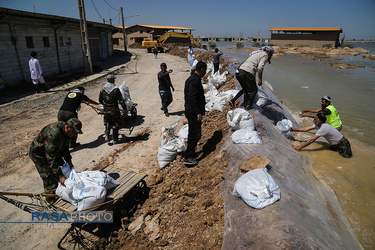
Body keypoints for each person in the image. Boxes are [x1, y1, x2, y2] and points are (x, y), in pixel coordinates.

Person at [29, 118, 82, 200]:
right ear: (68, 127)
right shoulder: (54, 134)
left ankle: (62, 192)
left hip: (53, 151)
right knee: (49, 177)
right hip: (39, 154)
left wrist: (69, 161)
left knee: (64, 169)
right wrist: (60, 176)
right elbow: (50, 158)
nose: (75, 135)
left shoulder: (66, 133)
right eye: (74, 132)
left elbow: (65, 149)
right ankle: (50, 200)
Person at [228, 46, 274, 110]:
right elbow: (260, 68)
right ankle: (248, 108)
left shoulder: (256, 54)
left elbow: (251, 67)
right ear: (268, 52)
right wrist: (260, 79)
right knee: (253, 91)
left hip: (239, 72)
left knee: (245, 89)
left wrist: (253, 80)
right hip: (246, 73)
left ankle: (233, 101)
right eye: (271, 55)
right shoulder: (265, 55)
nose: (270, 57)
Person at [184, 61, 207, 165]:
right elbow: (192, 97)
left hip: (191, 110)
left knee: (192, 133)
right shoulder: (194, 80)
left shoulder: (193, 78)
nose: (205, 72)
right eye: (205, 70)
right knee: (196, 134)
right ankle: (188, 157)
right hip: (193, 112)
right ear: (202, 69)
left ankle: (191, 152)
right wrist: (198, 112)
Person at [99, 74, 127, 144]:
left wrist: (105, 105)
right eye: (114, 79)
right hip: (114, 110)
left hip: (106, 110)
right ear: (112, 80)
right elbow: (121, 100)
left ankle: (107, 136)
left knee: (107, 122)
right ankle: (115, 139)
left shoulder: (103, 89)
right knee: (115, 124)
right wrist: (125, 109)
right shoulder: (115, 89)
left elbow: (100, 100)